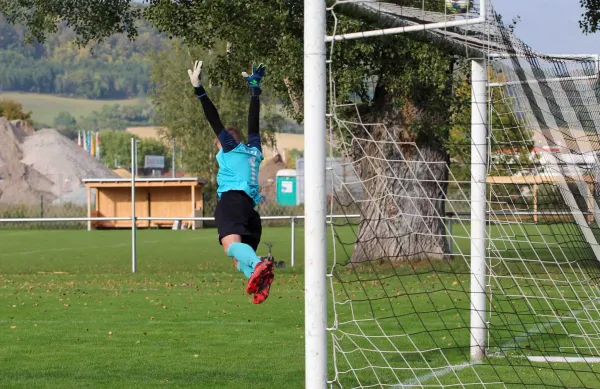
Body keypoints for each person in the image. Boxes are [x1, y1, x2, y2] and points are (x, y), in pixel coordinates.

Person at [187, 59, 274, 304]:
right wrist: (254, 90)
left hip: (233, 201)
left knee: (230, 249)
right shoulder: (254, 151)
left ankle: (259, 265)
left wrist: (199, 89)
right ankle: (259, 283)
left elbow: (212, 117)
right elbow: (254, 125)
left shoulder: (231, 148)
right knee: (237, 258)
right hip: (249, 209)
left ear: (226, 141)